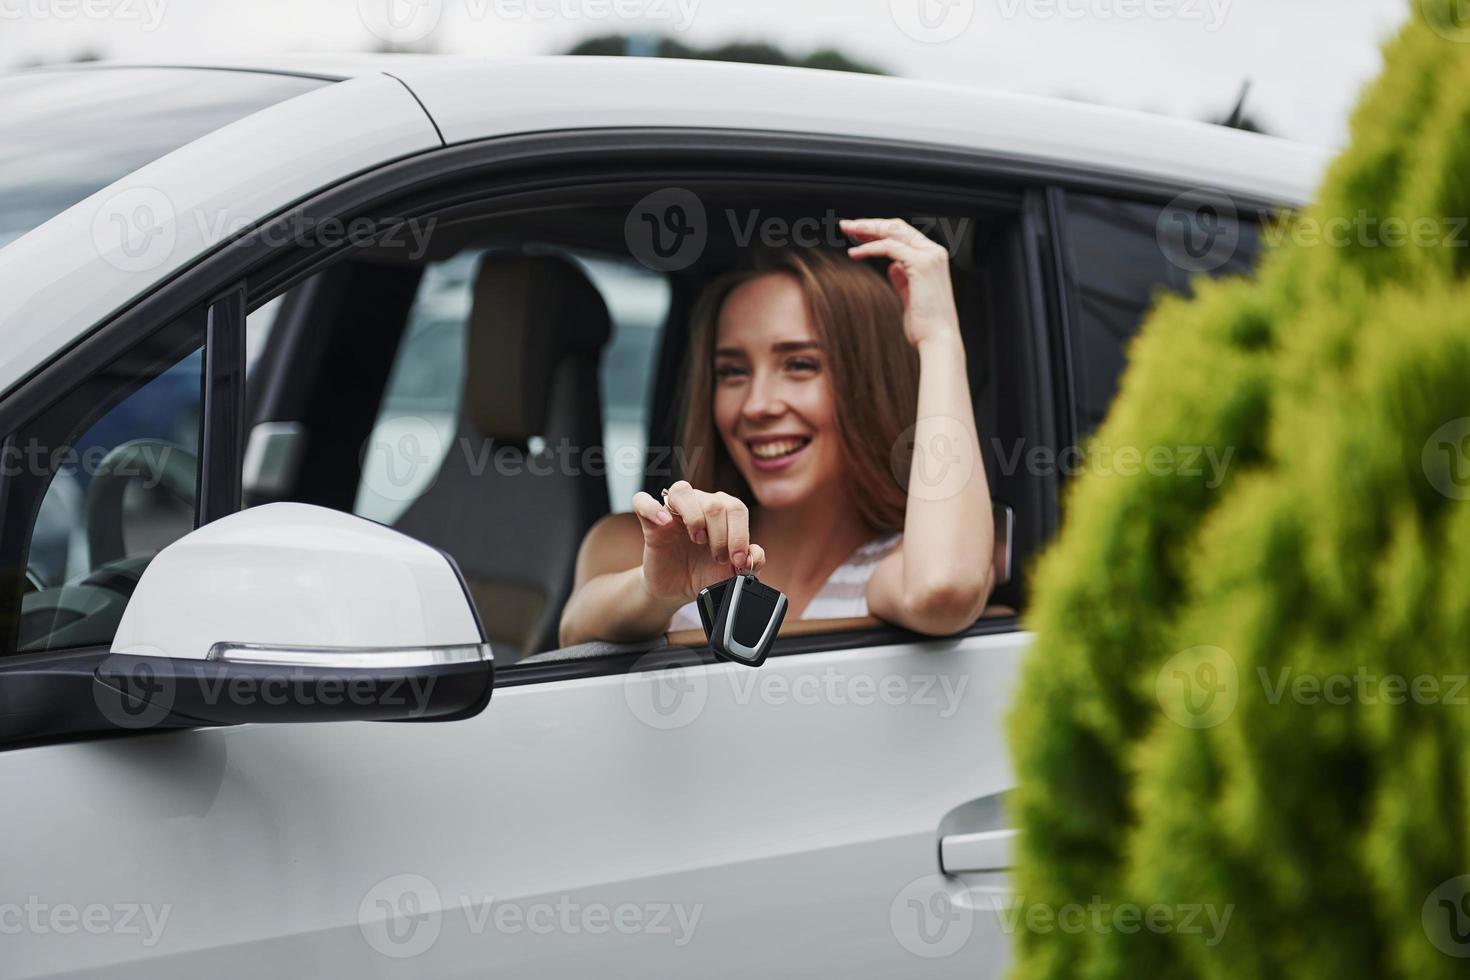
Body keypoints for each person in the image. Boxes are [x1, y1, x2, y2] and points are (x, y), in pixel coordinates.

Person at [559, 218, 994, 646]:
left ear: (870, 383)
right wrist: (658, 590)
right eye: (732, 372)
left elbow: (944, 588)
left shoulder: (895, 567)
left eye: (800, 365)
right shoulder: (639, 545)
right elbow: (576, 633)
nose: (758, 405)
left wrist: (939, 338)